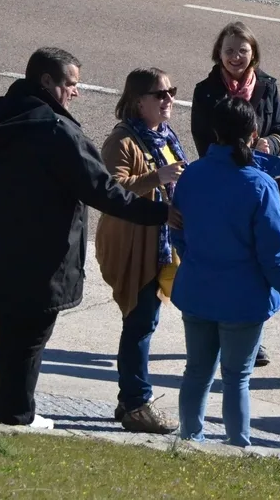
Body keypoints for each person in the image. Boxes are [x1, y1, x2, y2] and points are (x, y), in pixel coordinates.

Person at [0, 48, 177, 430]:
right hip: (43, 257)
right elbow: (105, 191)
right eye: (71, 84)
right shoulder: (57, 131)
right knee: (31, 336)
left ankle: (12, 407)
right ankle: (17, 414)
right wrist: (160, 213)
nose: (76, 92)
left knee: (10, 329)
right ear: (47, 81)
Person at [171, 96, 280, 447]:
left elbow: (178, 232)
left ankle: (189, 440)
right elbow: (274, 253)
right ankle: (237, 444)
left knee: (196, 372)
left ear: (214, 132)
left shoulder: (192, 175)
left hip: (197, 289)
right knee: (236, 378)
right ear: (253, 133)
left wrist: (197, 259)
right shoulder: (260, 185)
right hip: (243, 299)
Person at [190, 21, 280, 369]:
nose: (235, 57)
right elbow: (203, 140)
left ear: (254, 53)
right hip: (222, 184)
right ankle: (216, 326)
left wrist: (269, 144)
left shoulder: (268, 86)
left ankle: (252, 336)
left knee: (258, 260)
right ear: (218, 53)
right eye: (229, 50)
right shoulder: (206, 91)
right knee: (225, 257)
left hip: (259, 184)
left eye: (242, 51)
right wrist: (237, 154)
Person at [95, 68, 185, 434]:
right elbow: (111, 190)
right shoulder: (121, 140)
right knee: (139, 323)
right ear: (137, 101)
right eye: (159, 94)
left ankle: (128, 400)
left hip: (160, 245)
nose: (168, 99)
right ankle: (135, 403)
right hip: (133, 247)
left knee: (145, 321)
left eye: (170, 91)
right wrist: (157, 178)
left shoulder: (164, 135)